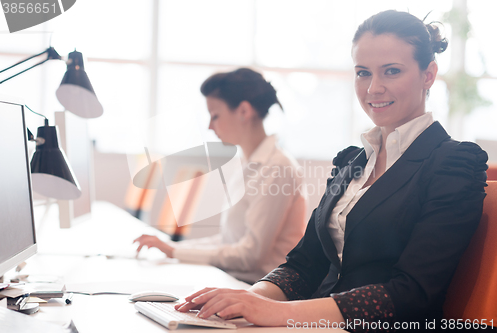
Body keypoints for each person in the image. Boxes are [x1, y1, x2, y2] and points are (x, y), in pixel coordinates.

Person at [173, 10, 488, 331]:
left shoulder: (453, 163)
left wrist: (275, 313)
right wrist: (245, 300)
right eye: (363, 73)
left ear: (429, 75)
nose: (373, 88)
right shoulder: (352, 162)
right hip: (315, 323)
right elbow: (303, 265)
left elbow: (411, 294)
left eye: (391, 71)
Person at [134, 68, 308, 284]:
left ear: (244, 111)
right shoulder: (249, 163)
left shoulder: (277, 168)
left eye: (215, 115)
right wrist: (174, 248)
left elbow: (250, 256)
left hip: (258, 290)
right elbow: (229, 242)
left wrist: (174, 251)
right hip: (235, 280)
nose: (209, 126)